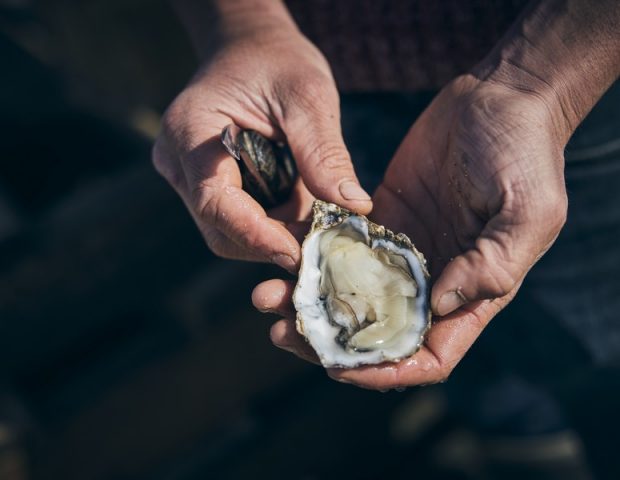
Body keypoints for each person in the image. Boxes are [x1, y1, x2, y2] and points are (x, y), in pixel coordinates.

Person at [153, 0, 620, 392]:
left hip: (566, 86)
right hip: (309, 92)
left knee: (593, 358)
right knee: (475, 378)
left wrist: (539, 84)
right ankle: (515, 446)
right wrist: (243, 25)